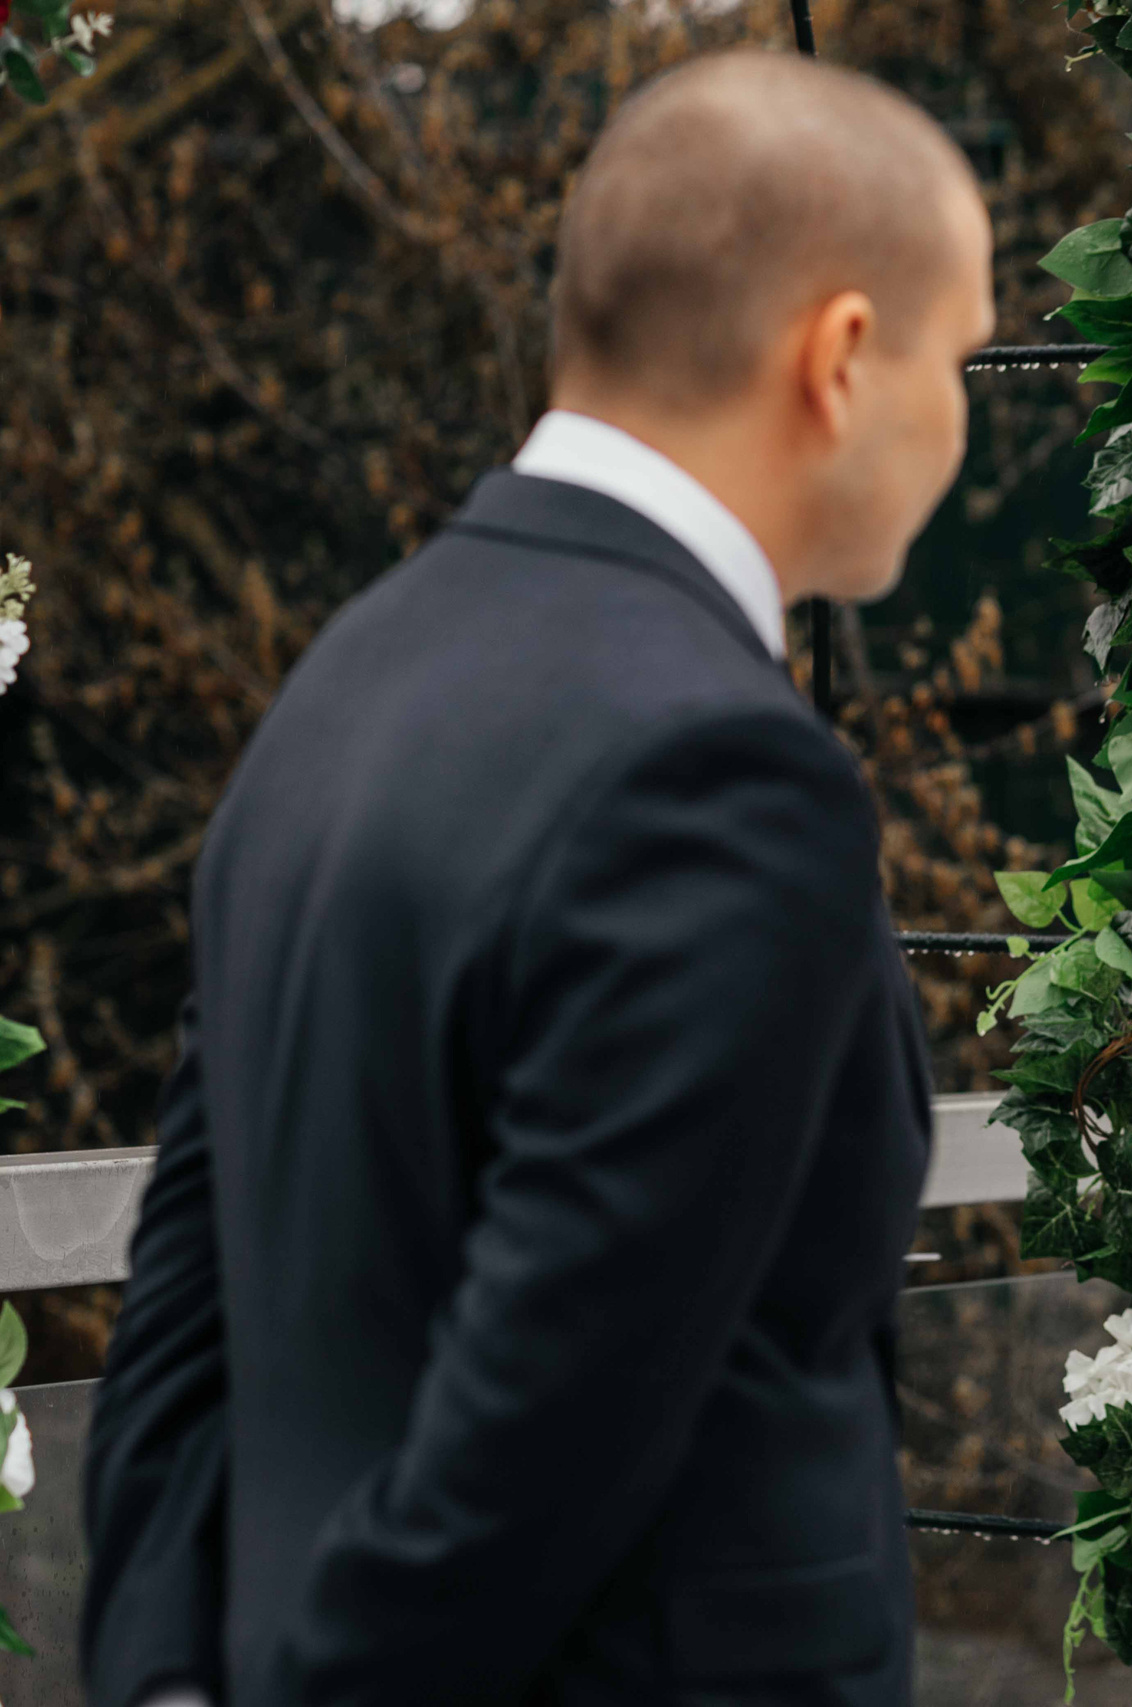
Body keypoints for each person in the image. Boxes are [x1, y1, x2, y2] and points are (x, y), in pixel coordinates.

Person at [79, 49, 993, 1707]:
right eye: (964, 356)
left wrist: (162, 1670)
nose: (962, 416)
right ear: (844, 356)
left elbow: (188, 1294)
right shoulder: (724, 768)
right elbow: (549, 1426)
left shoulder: (345, 679)